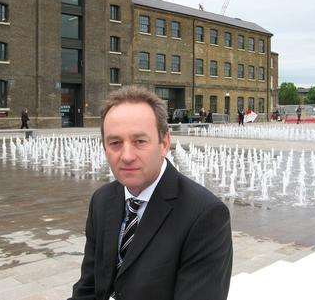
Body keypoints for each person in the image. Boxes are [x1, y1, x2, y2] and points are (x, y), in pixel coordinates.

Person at [68, 86, 232, 300]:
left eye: (139, 141)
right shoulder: (102, 200)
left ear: (164, 143)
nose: (126, 156)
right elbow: (88, 288)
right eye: (115, 143)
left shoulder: (205, 216)